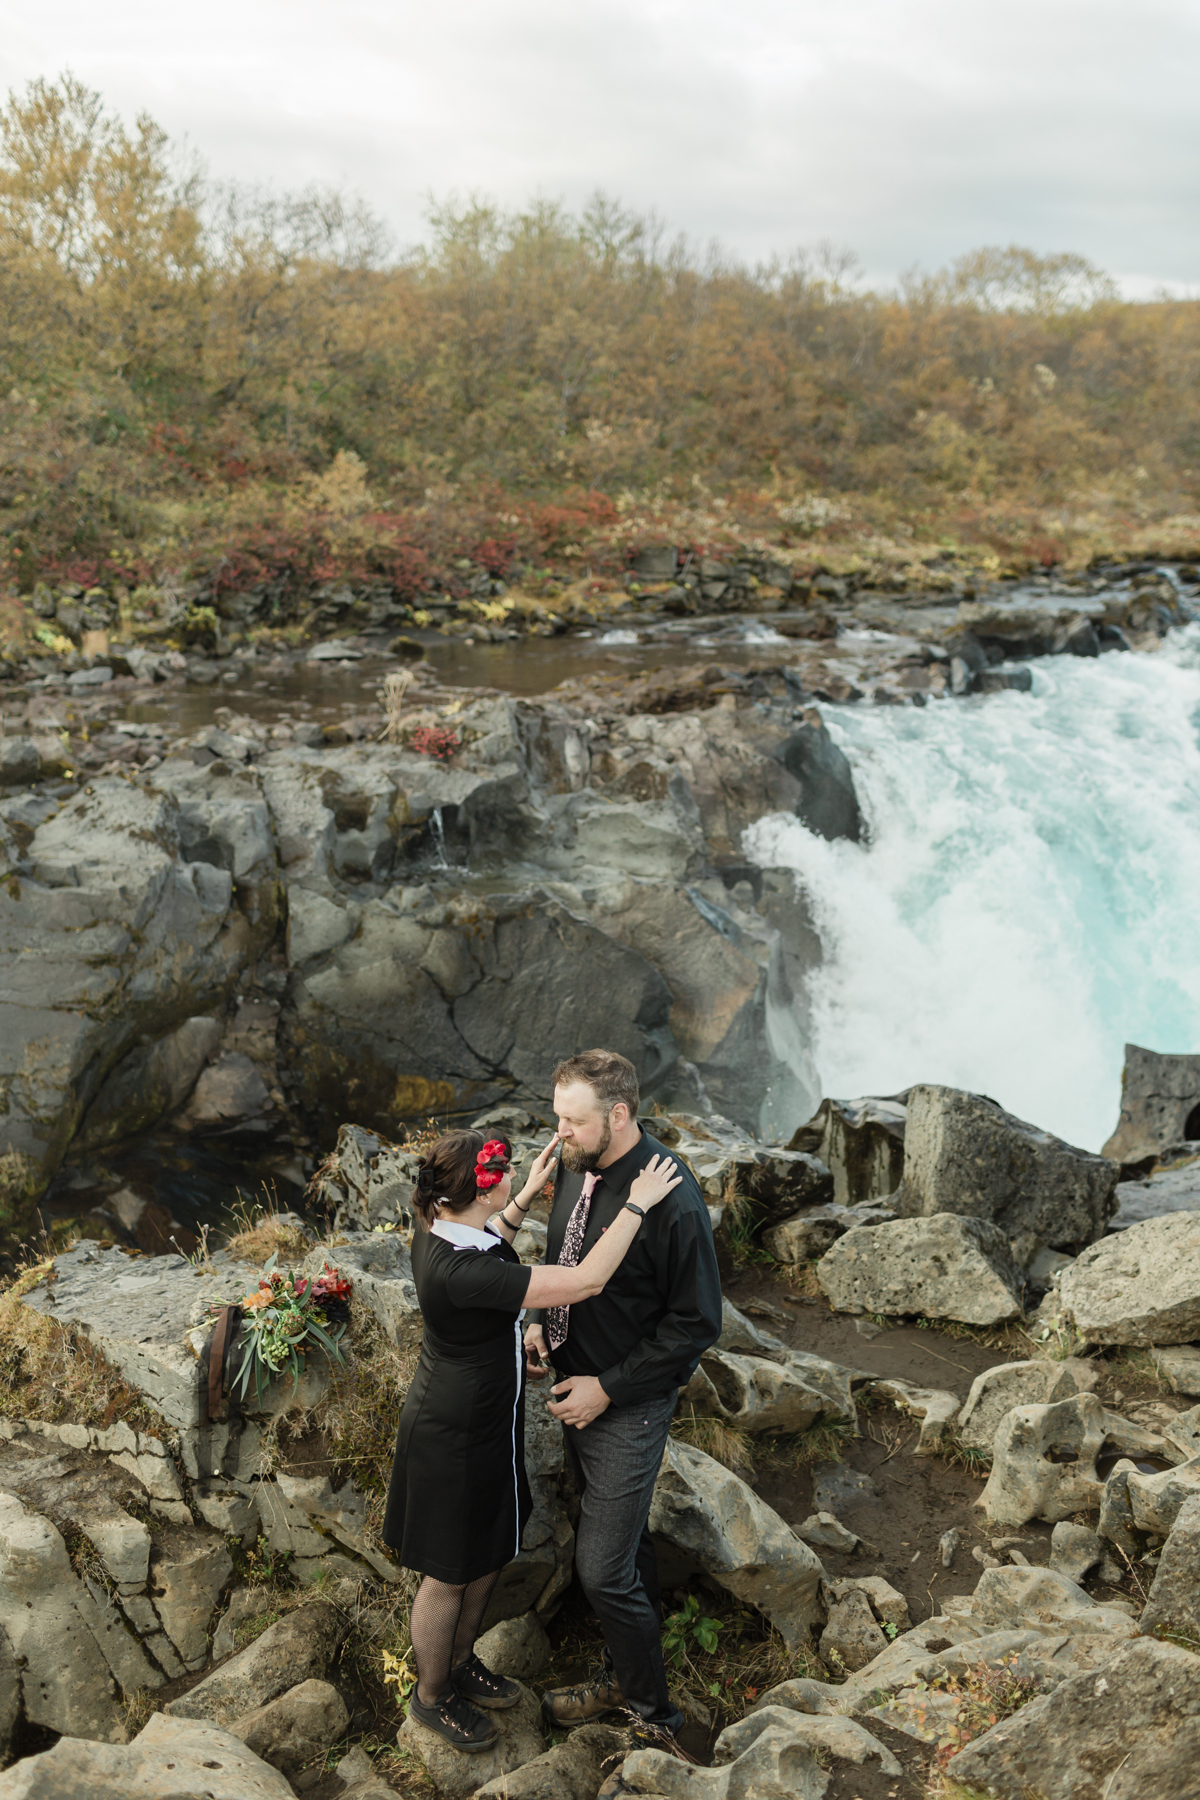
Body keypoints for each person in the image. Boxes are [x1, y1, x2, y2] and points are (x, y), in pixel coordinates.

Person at [382, 1125, 682, 1752]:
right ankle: (432, 1697)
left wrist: (523, 1197)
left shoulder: (445, 1228)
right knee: (447, 1574)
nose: (515, 1173)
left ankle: (461, 1662)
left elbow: (492, 1242)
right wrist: (637, 1203)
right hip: (453, 1437)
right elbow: (583, 1282)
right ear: (479, 1192)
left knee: (488, 1551)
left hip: (485, 1422)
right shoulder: (457, 1271)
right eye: (506, 1173)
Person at [524, 1050, 723, 1745]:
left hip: (626, 1407)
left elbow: (697, 1323)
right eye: (556, 1117)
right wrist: (536, 1328)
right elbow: (562, 1266)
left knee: (601, 1570)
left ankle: (655, 1719)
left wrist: (607, 1389)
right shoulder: (579, 1169)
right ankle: (623, 1677)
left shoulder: (673, 1199)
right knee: (626, 1547)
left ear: (618, 1114)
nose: (559, 1134)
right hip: (575, 1393)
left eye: (572, 1121)